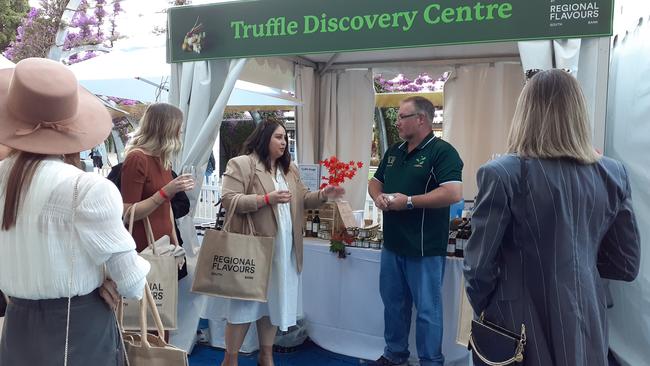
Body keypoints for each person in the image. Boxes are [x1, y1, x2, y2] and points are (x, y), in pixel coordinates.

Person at [463, 69, 640, 366]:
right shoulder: (612, 173)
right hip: (587, 318)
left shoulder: (502, 173)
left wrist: (494, 308)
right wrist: (577, 269)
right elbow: (626, 263)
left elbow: (478, 267)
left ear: (525, 112)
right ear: (579, 113)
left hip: (515, 327)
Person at [0, 58, 150, 364]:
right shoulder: (88, 189)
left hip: (17, 325)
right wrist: (110, 278)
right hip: (77, 326)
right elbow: (133, 283)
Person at [220, 118, 344, 366]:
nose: (284, 142)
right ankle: (230, 359)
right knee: (244, 307)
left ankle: (266, 355)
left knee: (274, 305)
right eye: (278, 137)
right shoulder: (242, 164)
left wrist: (323, 195)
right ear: (263, 138)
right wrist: (266, 199)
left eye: (285, 137)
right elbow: (228, 200)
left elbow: (303, 199)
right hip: (255, 249)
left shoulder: (289, 169)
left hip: (285, 249)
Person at [368, 96, 463, 366]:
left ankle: (431, 361)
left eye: (402, 117)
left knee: (427, 312)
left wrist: (408, 202)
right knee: (393, 306)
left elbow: (453, 193)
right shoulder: (395, 151)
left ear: (421, 119)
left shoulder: (442, 152)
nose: (396, 122)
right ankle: (395, 356)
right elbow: (375, 181)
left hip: (425, 249)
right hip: (393, 245)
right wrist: (378, 197)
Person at [120, 102, 194, 252]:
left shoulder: (163, 159)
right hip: (144, 245)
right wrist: (165, 192)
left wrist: (176, 245)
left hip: (164, 244)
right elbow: (128, 213)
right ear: (166, 128)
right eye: (179, 126)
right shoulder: (137, 159)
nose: (181, 131)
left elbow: (167, 208)